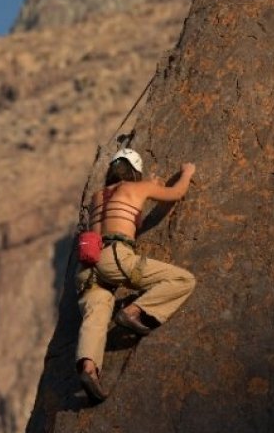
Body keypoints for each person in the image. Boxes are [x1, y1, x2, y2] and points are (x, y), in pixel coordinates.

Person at [76, 148, 197, 402]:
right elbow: (175, 194)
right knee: (183, 279)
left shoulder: (97, 197)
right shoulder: (137, 188)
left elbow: (119, 219)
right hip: (116, 257)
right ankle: (133, 312)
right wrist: (186, 173)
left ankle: (88, 367)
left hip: (87, 267)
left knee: (96, 312)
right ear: (134, 171)